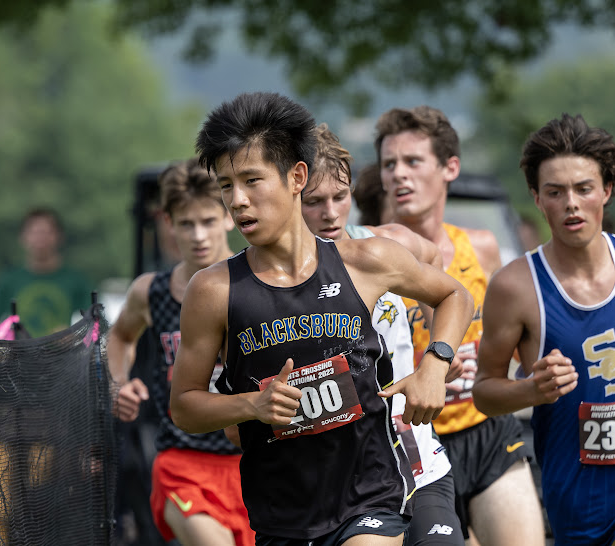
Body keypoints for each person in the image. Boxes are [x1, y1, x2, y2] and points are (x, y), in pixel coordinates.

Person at [170, 91, 474, 545]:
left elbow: (454, 294)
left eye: (252, 181)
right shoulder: (213, 290)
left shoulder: (364, 260)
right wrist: (251, 406)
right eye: (226, 186)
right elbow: (184, 405)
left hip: (369, 496)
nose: (237, 201)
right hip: (281, 516)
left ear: (296, 177)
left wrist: (435, 362)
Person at [473, 113, 615, 545]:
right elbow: (484, 392)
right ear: (537, 198)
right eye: (555, 192)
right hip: (578, 501)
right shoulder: (514, 287)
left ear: (607, 190)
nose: (571, 203)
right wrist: (531, 390)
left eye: (584, 189)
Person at [374, 105, 545, 545]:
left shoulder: (482, 248)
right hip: (412, 443)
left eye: (413, 162)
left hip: (488, 432)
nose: (399, 175)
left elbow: (514, 332)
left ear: (450, 167)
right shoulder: (368, 258)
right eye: (389, 164)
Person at [301, 122, 465, 545]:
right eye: (314, 202)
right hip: (342, 480)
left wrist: (437, 354)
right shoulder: (279, 279)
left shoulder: (386, 244)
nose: (331, 213)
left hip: (416, 459)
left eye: (341, 197)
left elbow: (438, 269)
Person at [107, 158, 255, 546]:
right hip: (182, 462)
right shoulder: (151, 292)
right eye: (186, 224)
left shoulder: (256, 282)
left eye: (208, 220)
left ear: (228, 217)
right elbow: (120, 337)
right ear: (168, 223)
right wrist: (118, 384)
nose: (198, 235)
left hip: (255, 462)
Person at [0, 207, 91, 337]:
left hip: (63, 355)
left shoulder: (77, 281)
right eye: (34, 232)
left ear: (59, 236)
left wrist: (73, 337)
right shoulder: (9, 280)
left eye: (46, 232)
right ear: (23, 237)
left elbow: (96, 326)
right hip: (20, 356)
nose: (40, 238)